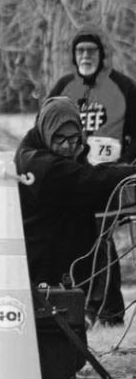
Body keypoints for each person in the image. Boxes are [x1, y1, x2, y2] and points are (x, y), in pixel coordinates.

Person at [48, 25, 136, 325]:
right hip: (73, 177)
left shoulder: (124, 87)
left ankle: (106, 312)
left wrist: (125, 166)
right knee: (73, 233)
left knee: (98, 234)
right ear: (73, 56)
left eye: (91, 51)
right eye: (80, 51)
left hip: (111, 178)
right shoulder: (63, 87)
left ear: (102, 54)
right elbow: (43, 127)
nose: (85, 56)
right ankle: (83, 306)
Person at [16, 96, 136, 315]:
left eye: (73, 139)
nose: (66, 146)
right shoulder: (39, 163)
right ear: (46, 131)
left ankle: (105, 315)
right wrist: (130, 174)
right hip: (42, 260)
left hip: (65, 254)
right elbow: (87, 180)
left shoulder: (54, 150)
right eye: (59, 138)